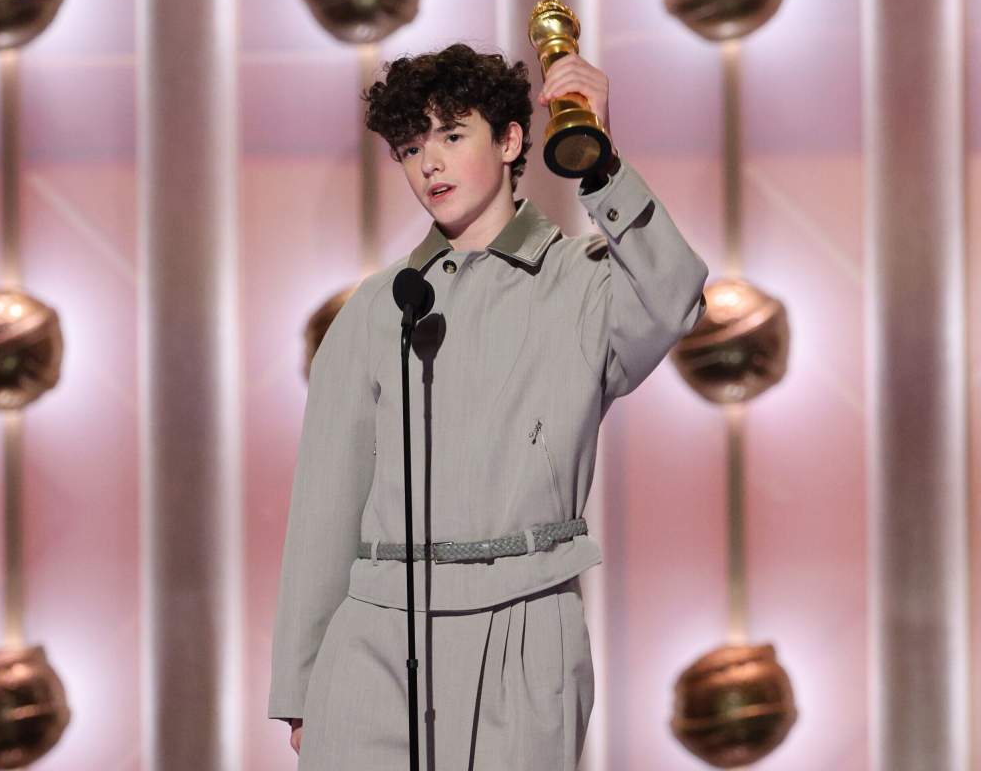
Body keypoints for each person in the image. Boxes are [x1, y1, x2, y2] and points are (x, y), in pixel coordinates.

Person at [268, 42, 708, 769]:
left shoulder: (582, 285)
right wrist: (302, 685)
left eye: (451, 134)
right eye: (410, 148)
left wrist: (601, 163)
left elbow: (675, 298)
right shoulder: (377, 308)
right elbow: (326, 500)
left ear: (510, 140)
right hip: (378, 639)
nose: (429, 163)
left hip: (526, 627)